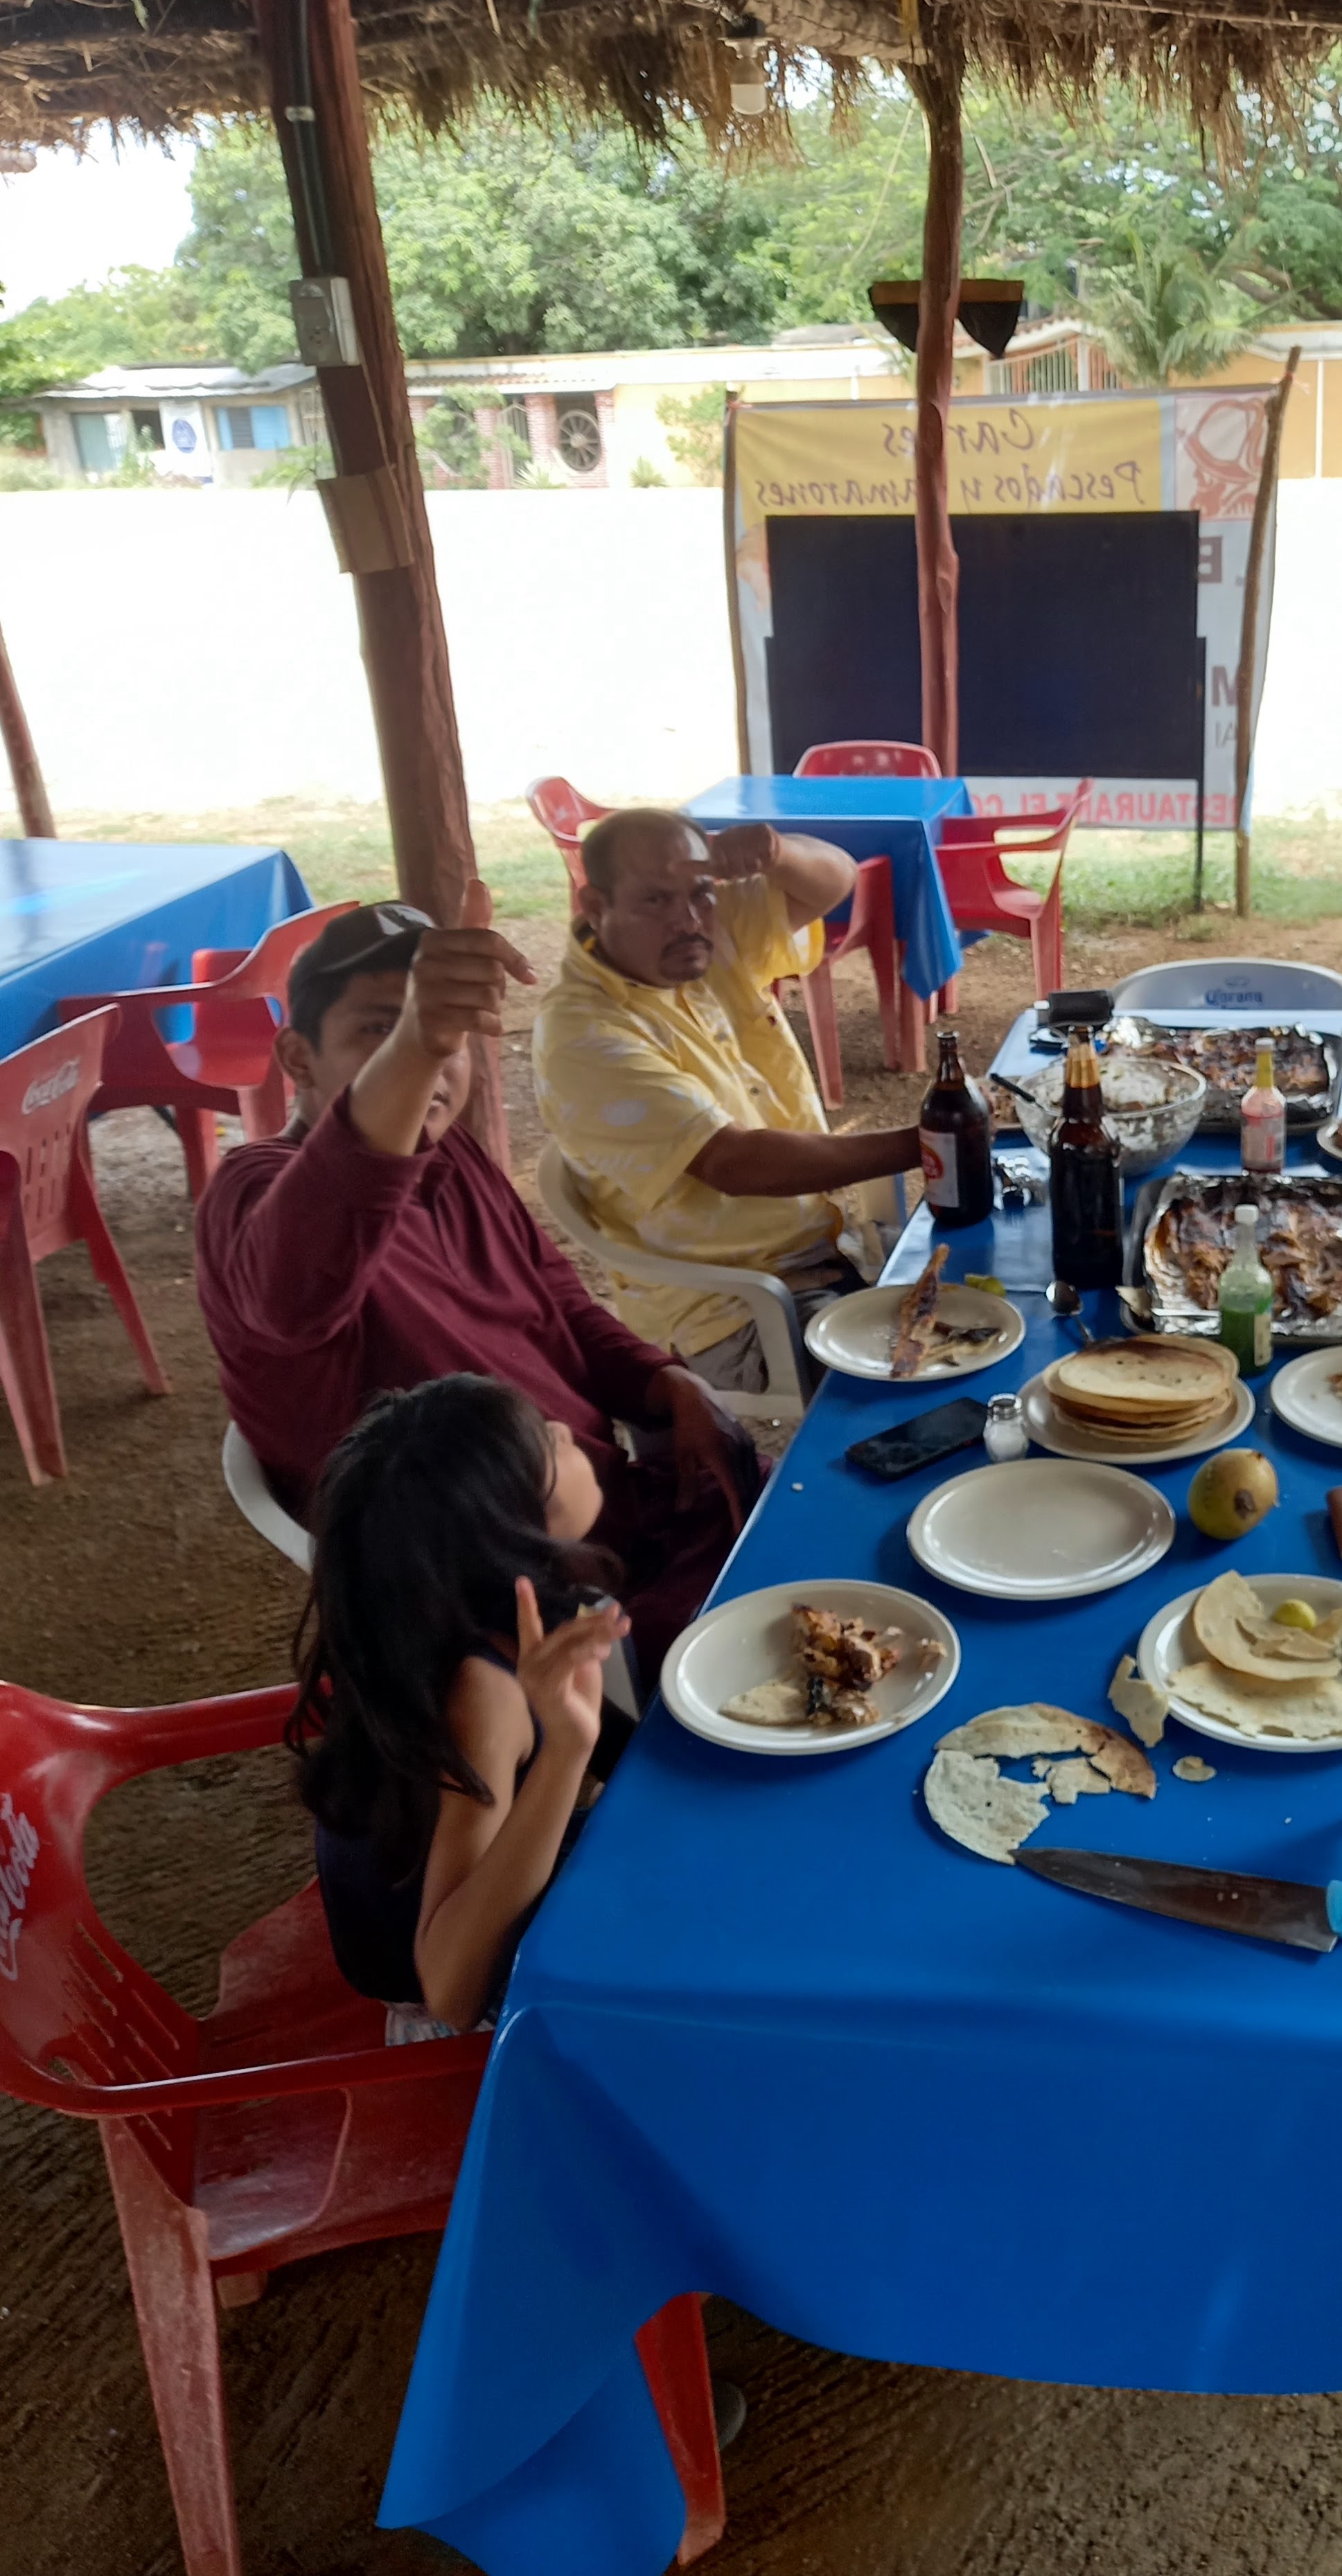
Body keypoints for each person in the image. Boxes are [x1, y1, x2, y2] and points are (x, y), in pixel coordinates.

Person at [195, 888, 757, 1694]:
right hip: (513, 1601)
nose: (428, 1058)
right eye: (375, 1030)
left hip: (625, 1512)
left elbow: (557, 1305)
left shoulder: (452, 1158)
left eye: (441, 1033)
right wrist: (417, 1047)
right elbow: (296, 1289)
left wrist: (661, 1380)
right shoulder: (254, 1197)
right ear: (296, 1058)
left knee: (838, 1513)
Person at [532, 808, 921, 1394]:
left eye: (700, 894)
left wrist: (777, 853)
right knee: (924, 1378)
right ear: (595, 906)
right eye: (655, 901)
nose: (687, 920)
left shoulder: (701, 943)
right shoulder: (583, 1035)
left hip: (819, 1248)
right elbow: (738, 1163)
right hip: (732, 1306)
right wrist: (928, 1143)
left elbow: (835, 881)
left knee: (997, 1284)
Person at [289, 1375, 627, 2027]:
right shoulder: (483, 1697)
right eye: (547, 1444)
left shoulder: (461, 1616)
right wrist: (566, 1752)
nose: (562, 1431)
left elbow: (629, 1756)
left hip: (481, 1893)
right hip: (472, 2023)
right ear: (514, 1524)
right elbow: (452, 1990)